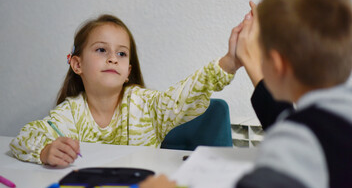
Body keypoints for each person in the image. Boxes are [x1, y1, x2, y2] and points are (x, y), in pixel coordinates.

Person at [135, 0, 352, 188]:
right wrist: (250, 61)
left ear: (276, 63)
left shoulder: (304, 140)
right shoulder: (340, 117)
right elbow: (292, 126)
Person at [10, 14, 244, 167]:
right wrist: (45, 151)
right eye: (101, 50)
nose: (113, 58)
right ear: (77, 64)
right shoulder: (69, 114)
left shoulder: (146, 106)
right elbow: (23, 138)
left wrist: (228, 63)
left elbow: (184, 95)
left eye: (121, 53)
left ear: (128, 72)